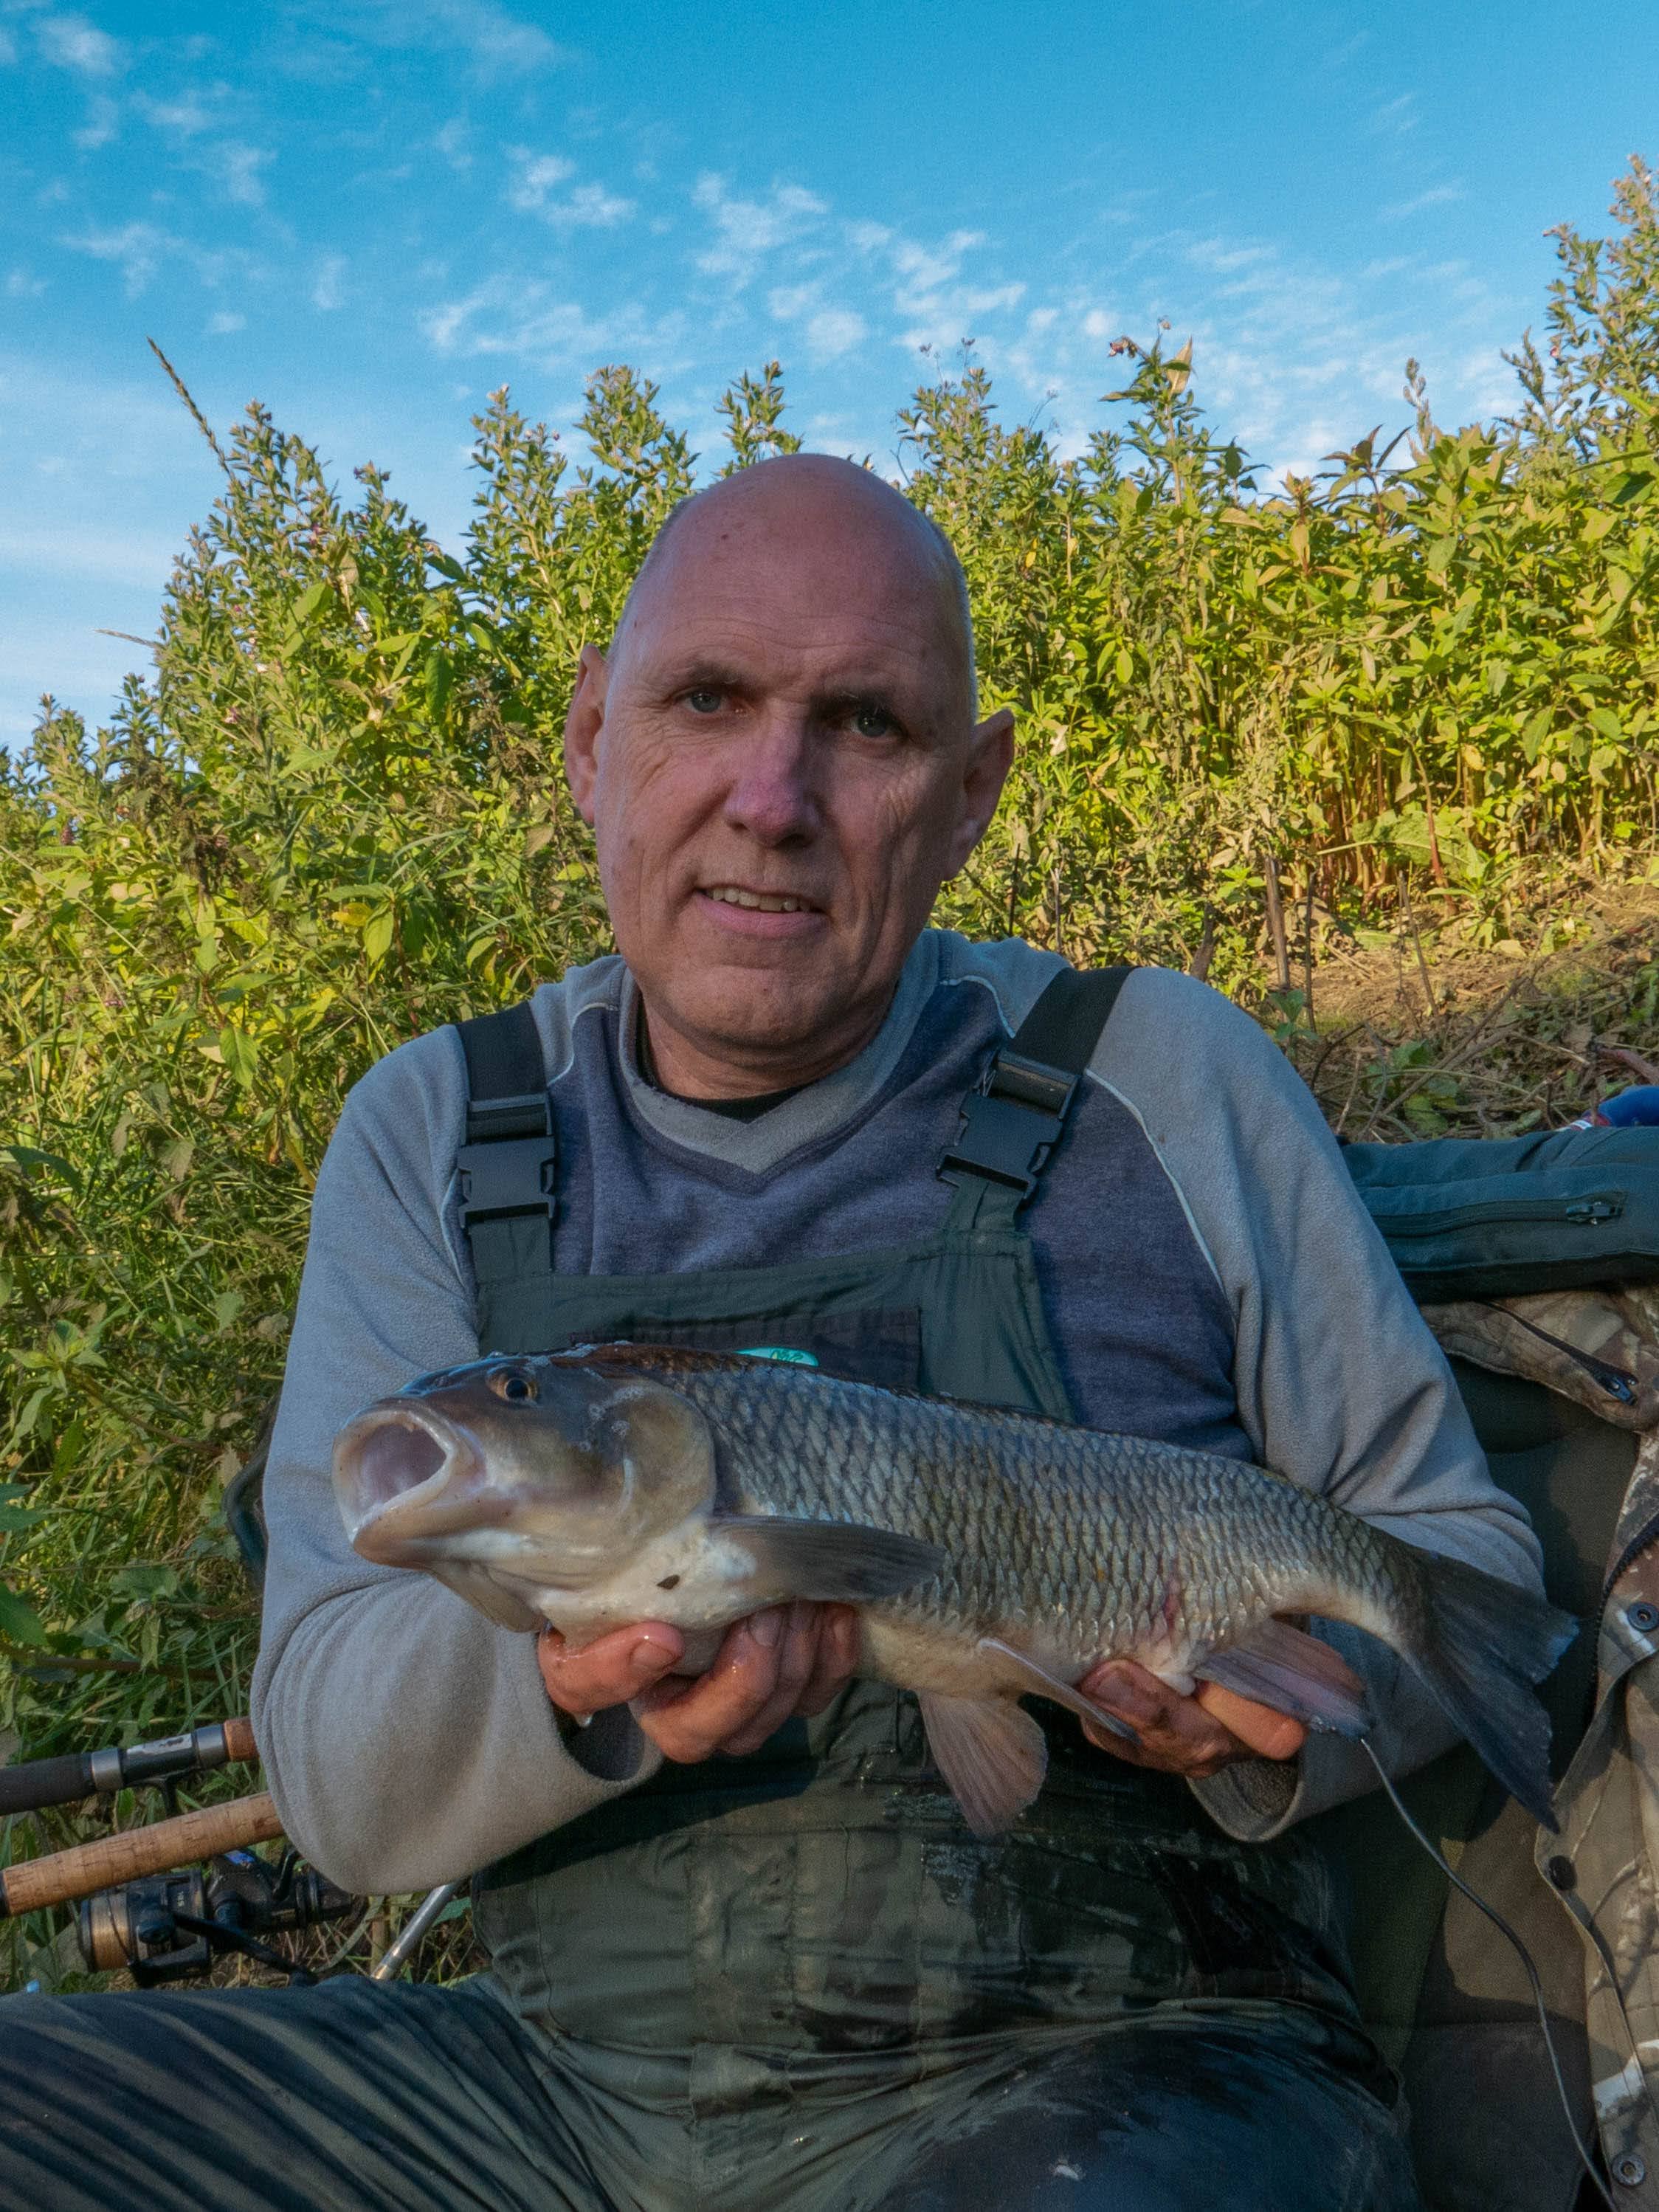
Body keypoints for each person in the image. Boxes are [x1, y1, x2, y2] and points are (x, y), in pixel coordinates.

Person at [0, 455, 1548, 2212]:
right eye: (706, 699)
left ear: (969, 794)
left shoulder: (1163, 1075)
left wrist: (1286, 1728)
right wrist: (568, 1676)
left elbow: (1451, 1560)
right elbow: (339, 1773)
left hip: (1118, 2071)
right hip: (554, 2105)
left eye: (865, 725)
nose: (770, 795)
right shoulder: (435, 1127)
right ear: (594, 738)